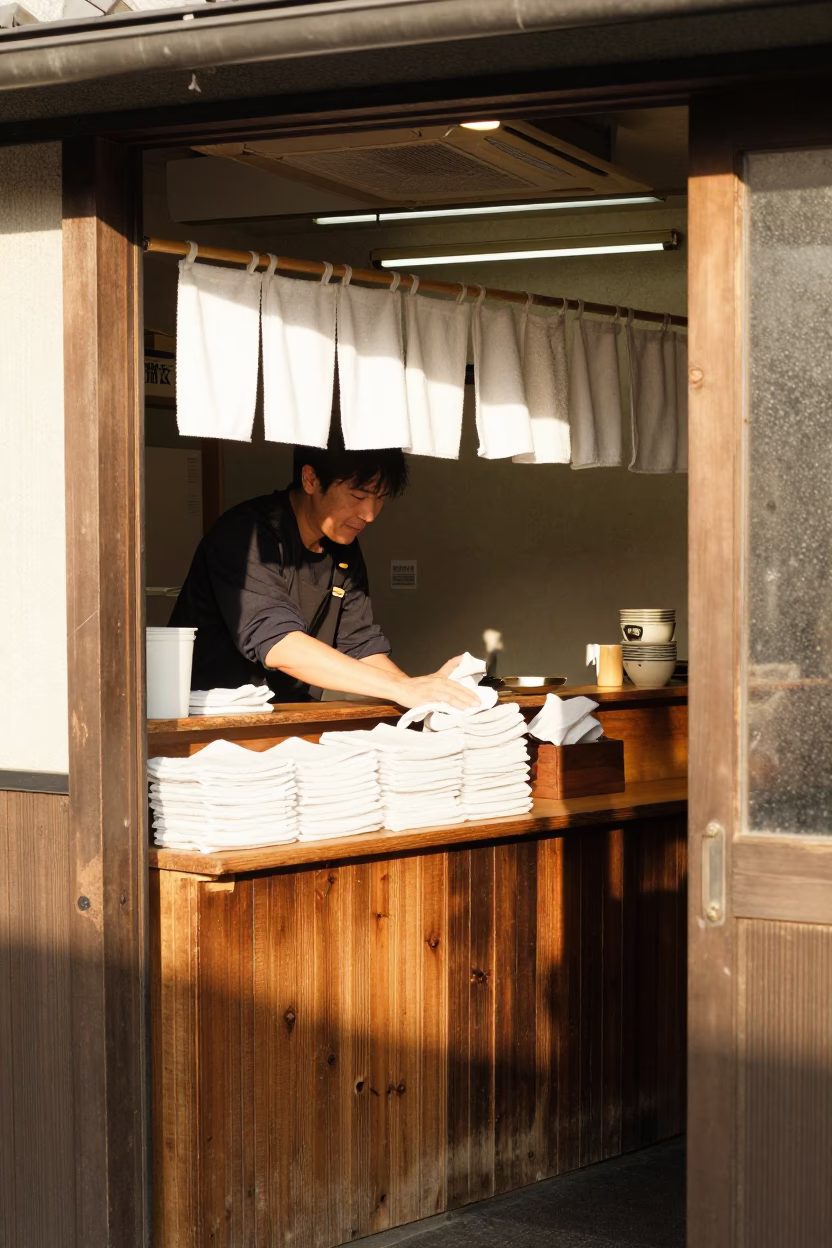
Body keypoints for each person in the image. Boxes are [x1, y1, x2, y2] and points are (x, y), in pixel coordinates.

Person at [169, 431, 480, 712]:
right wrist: (402, 688)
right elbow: (280, 645)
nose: (369, 515)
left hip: (290, 720)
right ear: (310, 479)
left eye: (379, 499)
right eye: (358, 496)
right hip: (211, 725)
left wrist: (426, 695)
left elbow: (360, 646)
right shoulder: (247, 534)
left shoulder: (342, 548)